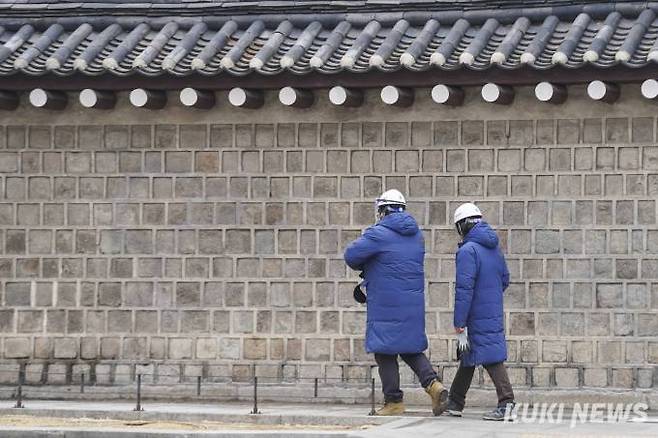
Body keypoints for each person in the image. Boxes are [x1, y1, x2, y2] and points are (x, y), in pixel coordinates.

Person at [344, 189, 448, 416]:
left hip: (385, 303)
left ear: (383, 210)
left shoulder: (378, 234)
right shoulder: (417, 236)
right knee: (410, 347)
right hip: (412, 303)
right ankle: (433, 385)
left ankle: (394, 402)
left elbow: (351, 256)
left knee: (384, 350)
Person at [446, 202, 515, 421]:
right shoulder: (493, 247)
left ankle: (507, 403)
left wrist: (459, 321)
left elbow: (464, 290)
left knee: (490, 357)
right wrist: (490, 296)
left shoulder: (468, 250)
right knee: (469, 354)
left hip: (475, 313)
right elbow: (505, 279)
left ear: (463, 225)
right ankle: (455, 402)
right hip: (491, 308)